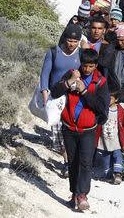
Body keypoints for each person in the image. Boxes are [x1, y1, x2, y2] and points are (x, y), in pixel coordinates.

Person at [50, 48, 109, 210]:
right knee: (73, 162)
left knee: (86, 163)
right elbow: (54, 92)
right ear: (80, 63)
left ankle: (82, 194)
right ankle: (74, 194)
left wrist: (84, 91)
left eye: (91, 66)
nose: (87, 69)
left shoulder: (101, 82)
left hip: (89, 130)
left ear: (96, 65)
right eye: (85, 65)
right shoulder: (71, 73)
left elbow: (101, 107)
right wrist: (69, 82)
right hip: (69, 128)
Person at [40, 24, 82, 178]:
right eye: (69, 40)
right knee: (57, 134)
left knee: (71, 130)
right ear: (65, 38)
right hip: (55, 97)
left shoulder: (81, 54)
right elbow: (45, 74)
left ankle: (69, 164)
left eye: (75, 41)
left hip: (73, 98)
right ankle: (67, 160)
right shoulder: (54, 52)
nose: (71, 44)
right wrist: (44, 93)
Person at [94, 90, 124, 185]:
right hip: (104, 139)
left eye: (110, 98)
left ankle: (118, 174)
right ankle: (109, 176)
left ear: (116, 99)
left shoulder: (120, 110)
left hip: (116, 139)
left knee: (117, 154)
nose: (107, 100)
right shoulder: (103, 109)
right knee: (106, 158)